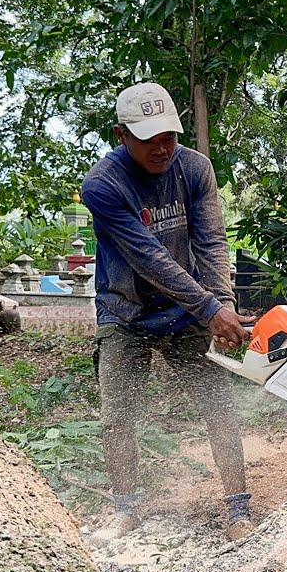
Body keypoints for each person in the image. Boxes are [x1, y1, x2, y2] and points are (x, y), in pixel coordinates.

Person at [81, 82, 254, 545]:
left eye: (169, 137)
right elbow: (147, 256)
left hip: (186, 310)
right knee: (119, 415)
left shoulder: (196, 169)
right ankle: (126, 510)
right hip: (126, 310)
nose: (161, 148)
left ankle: (239, 510)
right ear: (121, 135)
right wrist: (210, 307)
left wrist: (225, 306)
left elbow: (212, 243)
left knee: (217, 405)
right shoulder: (103, 185)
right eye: (148, 139)